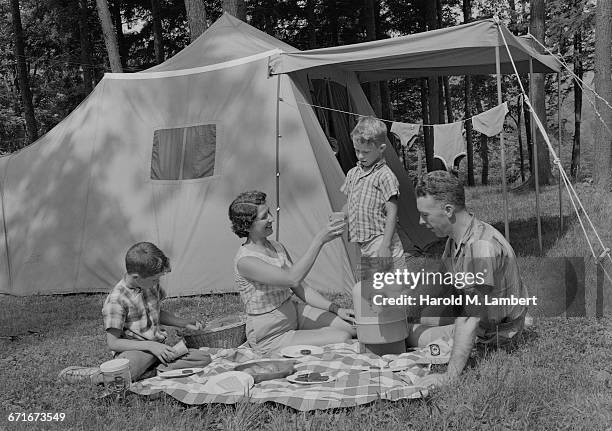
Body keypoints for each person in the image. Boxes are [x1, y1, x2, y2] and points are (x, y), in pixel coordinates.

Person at [412, 171, 529, 388]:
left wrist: (449, 377)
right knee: (420, 318)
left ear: (448, 210)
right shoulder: (458, 238)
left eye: (425, 214)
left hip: (494, 335)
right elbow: (441, 282)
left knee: (411, 335)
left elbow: (470, 318)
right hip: (483, 319)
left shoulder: (481, 248)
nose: (420, 221)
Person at [58, 242, 210, 384]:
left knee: (202, 358)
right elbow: (114, 343)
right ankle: (95, 374)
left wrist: (182, 322)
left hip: (157, 349)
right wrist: (150, 346)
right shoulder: (116, 300)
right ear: (137, 277)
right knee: (129, 369)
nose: (157, 283)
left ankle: (149, 373)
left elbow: (156, 312)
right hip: (136, 352)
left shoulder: (149, 285)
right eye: (154, 279)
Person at [229, 191, 356, 355]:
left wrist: (336, 308)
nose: (271, 218)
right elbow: (292, 279)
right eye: (263, 217)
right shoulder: (246, 261)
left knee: (353, 326)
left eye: (269, 212)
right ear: (247, 225)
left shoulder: (276, 246)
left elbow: (300, 287)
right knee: (342, 338)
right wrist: (319, 241)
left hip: (293, 312)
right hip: (271, 333)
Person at [341, 116, 405, 270]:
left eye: (366, 152)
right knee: (371, 289)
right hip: (362, 242)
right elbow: (350, 203)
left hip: (380, 240)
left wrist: (385, 245)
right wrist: (341, 215)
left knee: (392, 288)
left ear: (381, 148)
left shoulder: (385, 176)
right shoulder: (352, 173)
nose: (360, 156)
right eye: (357, 151)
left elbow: (392, 213)